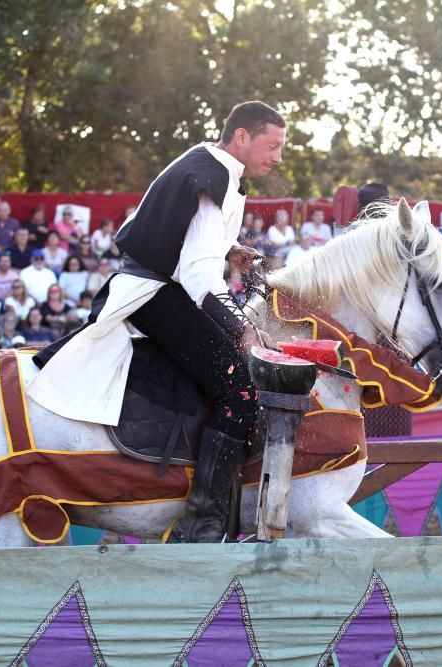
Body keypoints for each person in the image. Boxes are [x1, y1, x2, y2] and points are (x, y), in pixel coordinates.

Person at [30, 101, 285, 543]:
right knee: (240, 384)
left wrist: (232, 250)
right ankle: (202, 524)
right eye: (273, 145)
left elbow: (185, 234)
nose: (279, 157)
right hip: (155, 294)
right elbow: (197, 274)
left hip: (155, 288)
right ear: (242, 137)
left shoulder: (207, 161)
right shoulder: (217, 173)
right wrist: (240, 326)